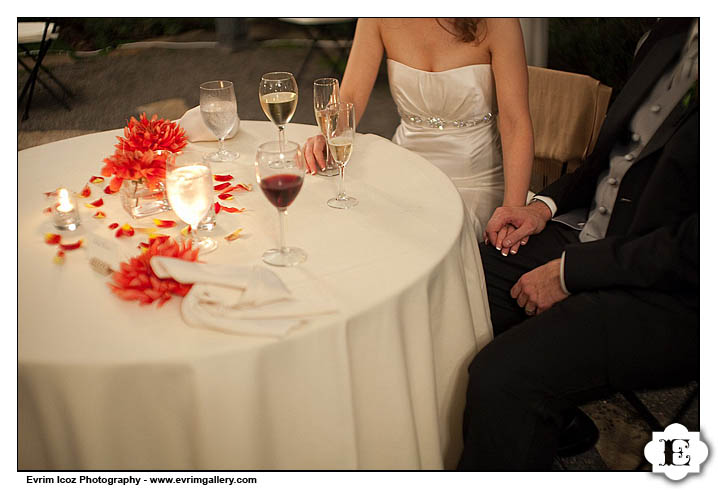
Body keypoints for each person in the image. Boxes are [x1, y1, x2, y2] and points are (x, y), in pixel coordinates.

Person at [458, 17, 699, 470]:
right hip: (590, 238)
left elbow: (696, 246)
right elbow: (613, 158)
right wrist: (542, 206)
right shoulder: (673, 33)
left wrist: (573, 273)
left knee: (502, 379)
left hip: (669, 288)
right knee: (456, 289)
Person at [303, 18, 534, 238]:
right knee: (344, 223)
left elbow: (515, 123)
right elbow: (351, 96)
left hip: (474, 182)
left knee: (422, 239)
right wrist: (330, 136)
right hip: (404, 168)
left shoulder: (496, 20)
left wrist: (513, 209)